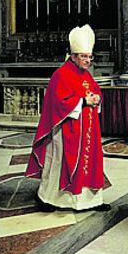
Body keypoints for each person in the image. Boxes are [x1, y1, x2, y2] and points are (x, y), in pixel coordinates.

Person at [26, 25, 108, 212]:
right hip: (65, 130)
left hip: (87, 129)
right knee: (58, 163)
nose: (87, 60)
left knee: (90, 162)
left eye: (89, 57)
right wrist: (83, 101)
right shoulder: (61, 74)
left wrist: (97, 98)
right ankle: (50, 199)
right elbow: (58, 102)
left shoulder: (87, 75)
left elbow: (94, 91)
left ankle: (91, 201)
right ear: (73, 56)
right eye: (84, 57)